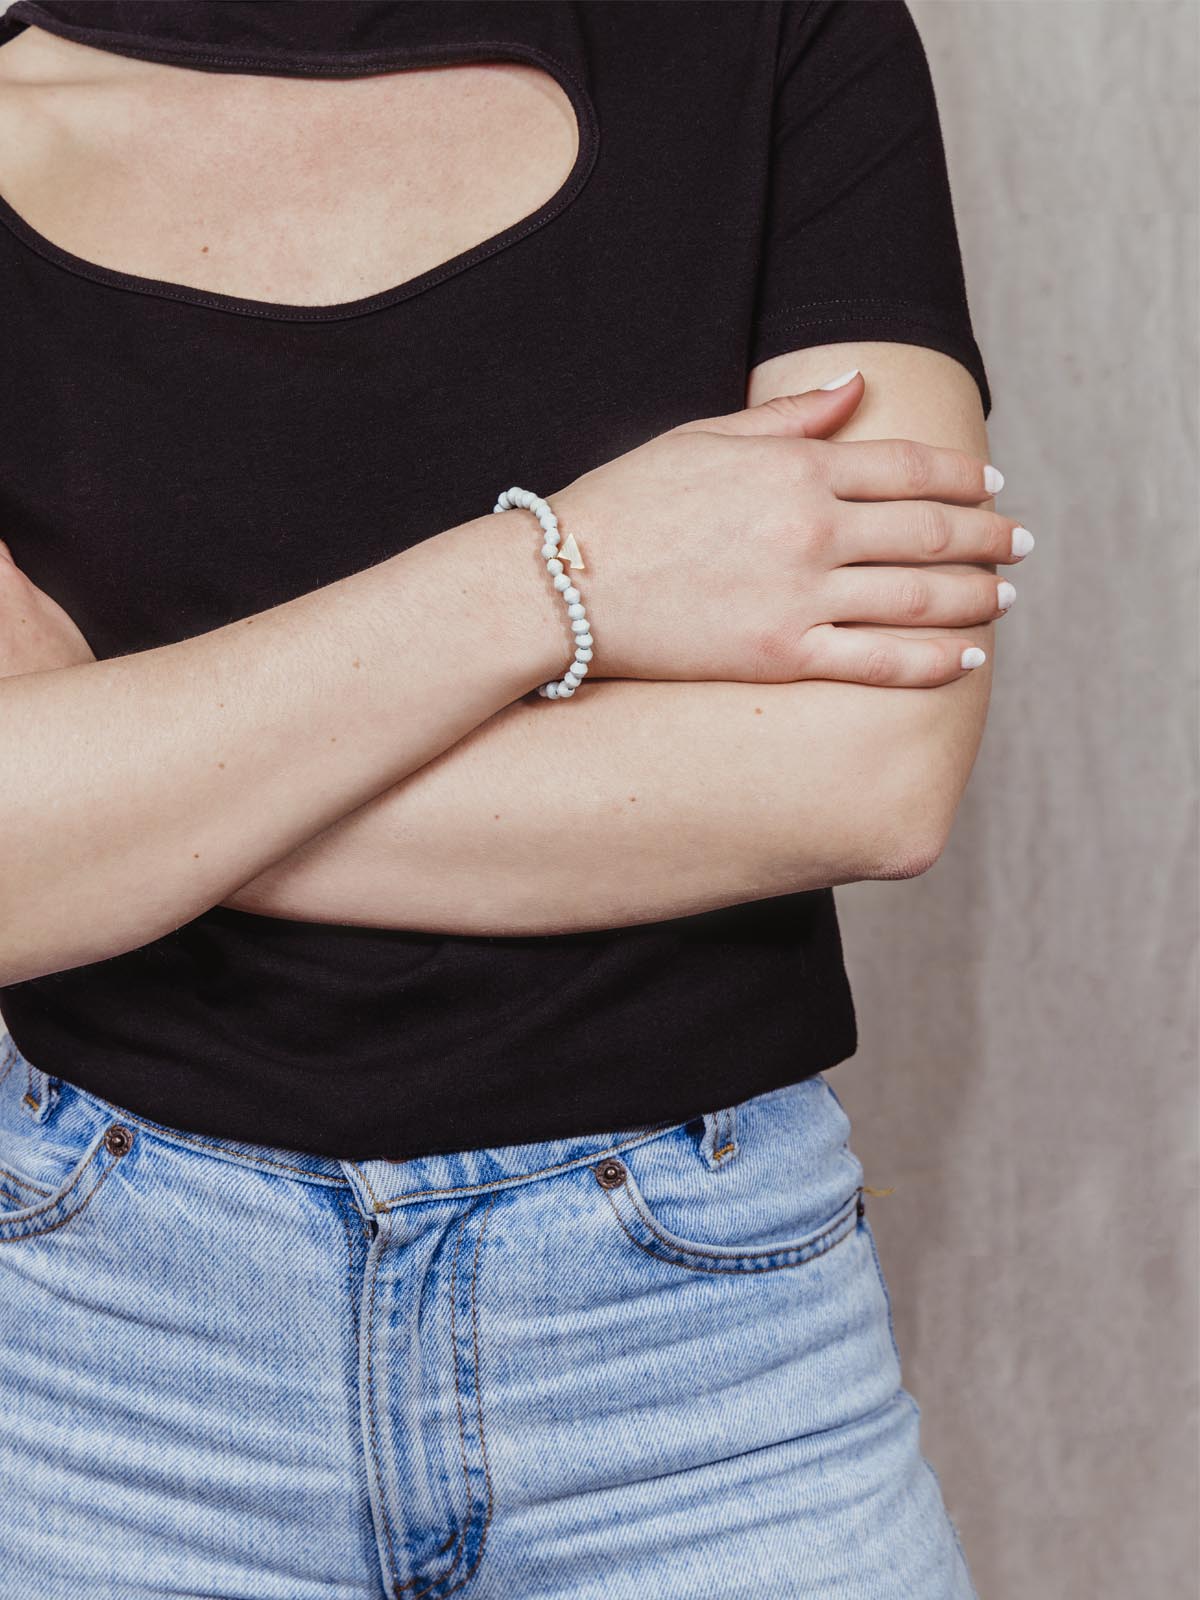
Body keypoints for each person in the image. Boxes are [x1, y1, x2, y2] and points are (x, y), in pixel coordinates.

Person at [0, 3, 1026, 1594]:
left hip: (705, 1376)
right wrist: (568, 574)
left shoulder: (781, 37)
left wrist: (134, 787)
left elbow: (864, 773)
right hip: (99, 1369)